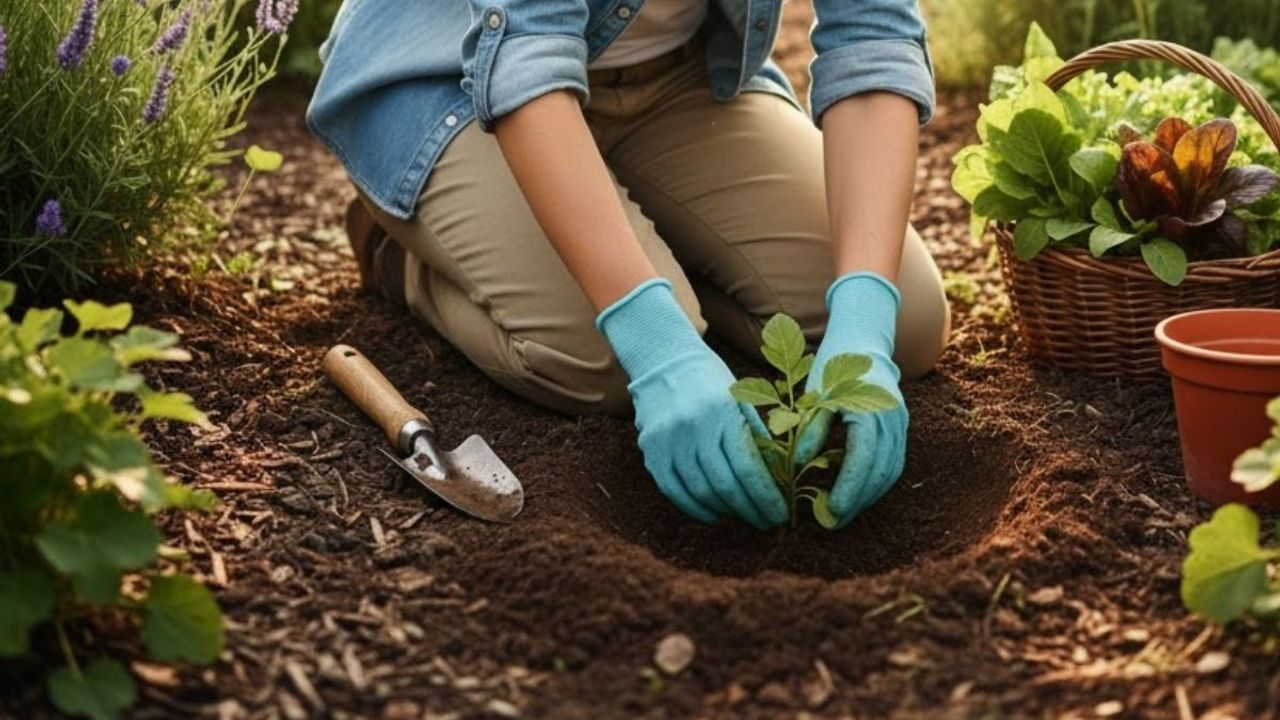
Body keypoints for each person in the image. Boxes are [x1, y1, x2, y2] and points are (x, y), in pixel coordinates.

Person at [307, 0, 950, 531]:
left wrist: (864, 319)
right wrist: (660, 343)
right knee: (608, 361)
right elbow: (527, 51)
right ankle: (404, 255)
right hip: (454, 82)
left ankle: (649, 251)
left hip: (676, 81)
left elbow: (873, 31)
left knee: (907, 320)